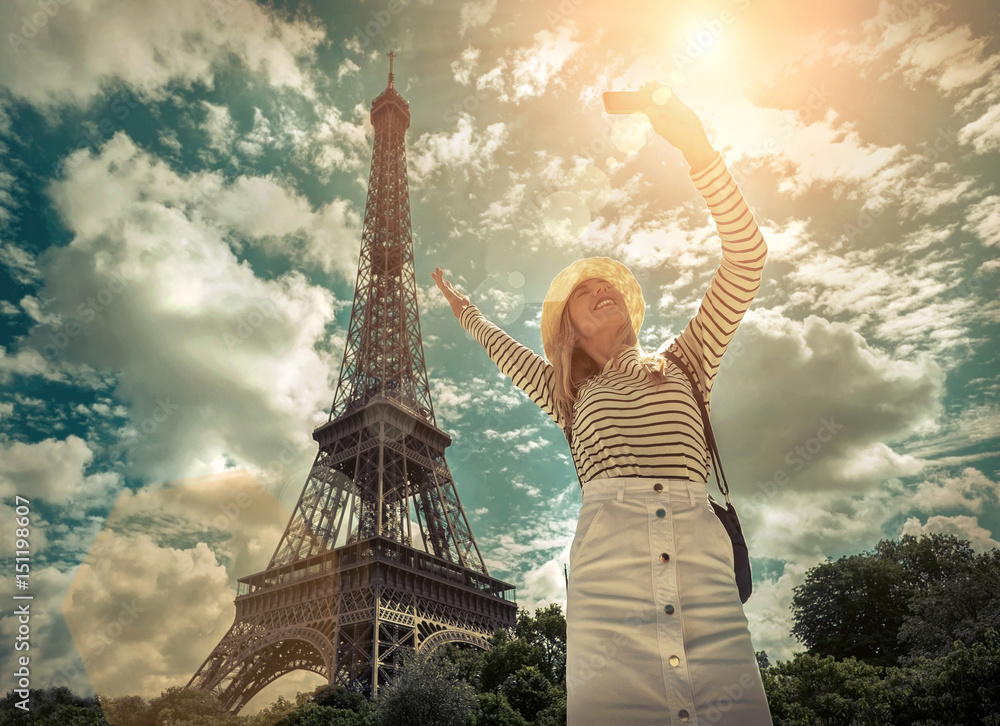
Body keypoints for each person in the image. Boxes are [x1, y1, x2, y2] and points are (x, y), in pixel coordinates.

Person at [431, 85, 771, 725]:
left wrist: (697, 150)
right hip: (608, 565)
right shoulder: (567, 394)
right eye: (583, 292)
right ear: (571, 332)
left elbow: (747, 259)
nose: (600, 288)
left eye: (606, 284)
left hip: (700, 557)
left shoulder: (686, 359)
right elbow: (501, 348)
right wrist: (464, 310)